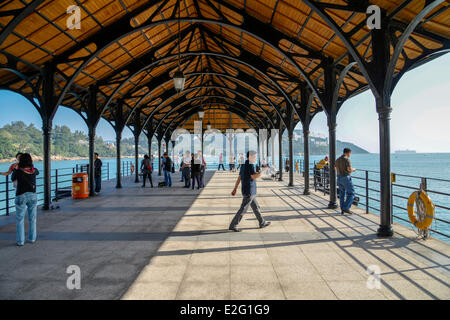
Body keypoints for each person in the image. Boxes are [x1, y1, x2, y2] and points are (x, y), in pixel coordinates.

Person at [229, 150, 271, 232]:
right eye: (255, 157)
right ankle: (233, 225)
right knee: (243, 209)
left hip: (247, 190)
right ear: (250, 157)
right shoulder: (250, 165)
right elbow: (254, 176)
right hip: (249, 191)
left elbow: (239, 177)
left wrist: (235, 188)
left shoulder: (244, 164)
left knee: (256, 207)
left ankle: (262, 222)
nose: (256, 158)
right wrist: (263, 170)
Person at [11, 153, 39, 246]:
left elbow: (12, 178)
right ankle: (32, 239)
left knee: (20, 219)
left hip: (21, 195)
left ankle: (20, 241)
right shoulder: (34, 170)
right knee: (32, 219)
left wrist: (16, 167)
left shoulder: (18, 171)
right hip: (32, 195)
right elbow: (37, 172)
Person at [335, 148, 356, 215]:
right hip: (345, 177)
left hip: (339, 177)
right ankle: (346, 208)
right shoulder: (347, 159)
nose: (350, 155)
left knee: (342, 193)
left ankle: (342, 208)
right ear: (348, 153)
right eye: (350, 153)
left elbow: (334, 168)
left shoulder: (337, 159)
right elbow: (349, 169)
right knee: (351, 193)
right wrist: (354, 169)